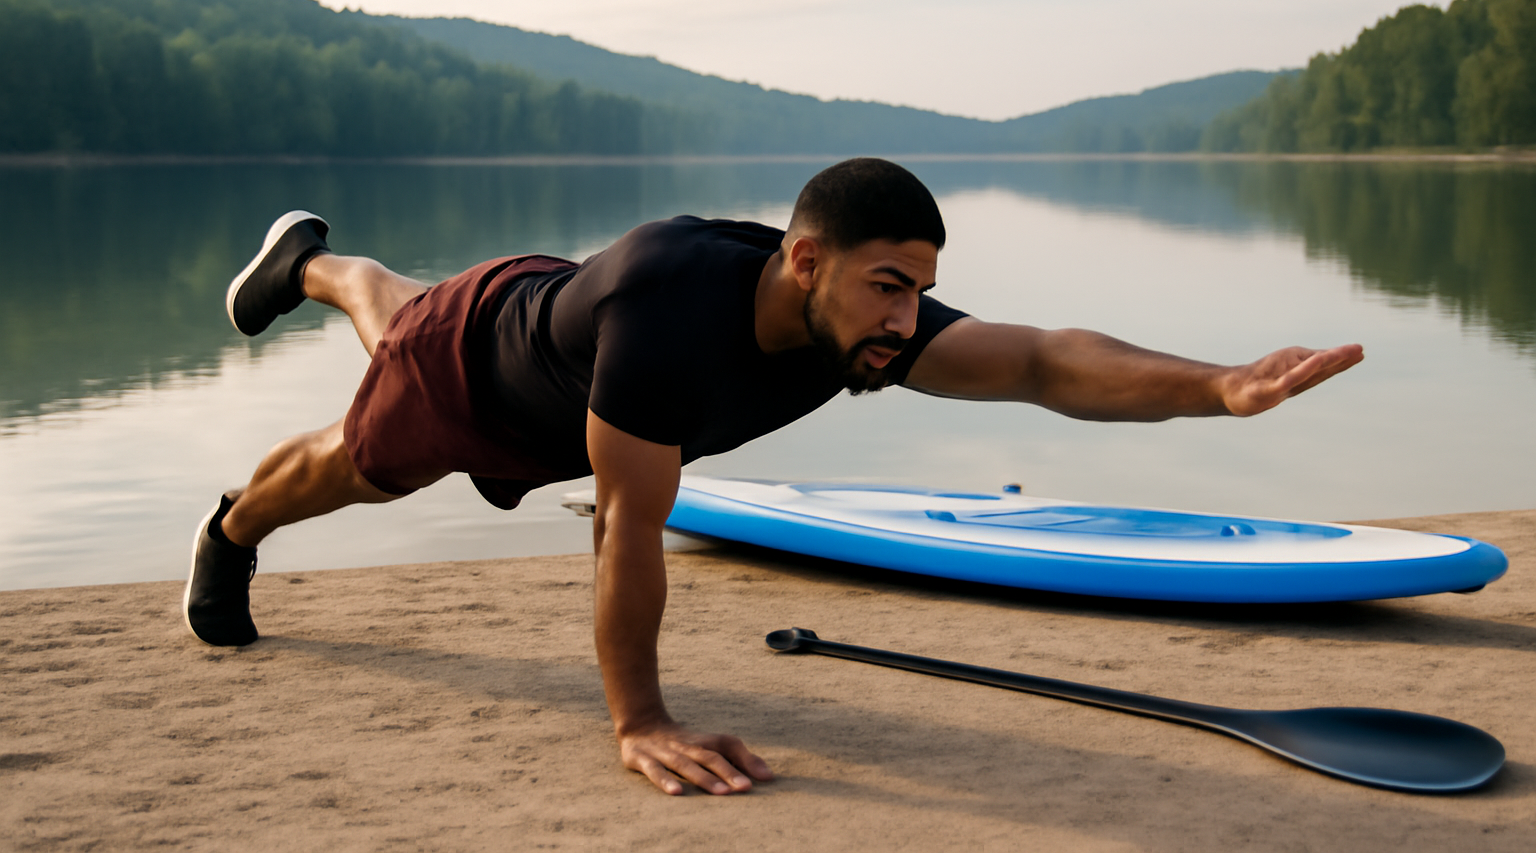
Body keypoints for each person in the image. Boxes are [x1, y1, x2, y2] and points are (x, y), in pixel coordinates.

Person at [184, 157, 1363, 796]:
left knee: (401, 311)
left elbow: (1046, 360)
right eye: (887, 284)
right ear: (807, 261)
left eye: (918, 287)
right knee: (357, 466)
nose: (906, 317)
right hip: (472, 371)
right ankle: (230, 527)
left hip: (555, 337)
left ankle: (326, 266)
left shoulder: (856, 321)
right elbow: (627, 531)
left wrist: (1220, 385)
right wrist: (638, 718)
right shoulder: (669, 316)